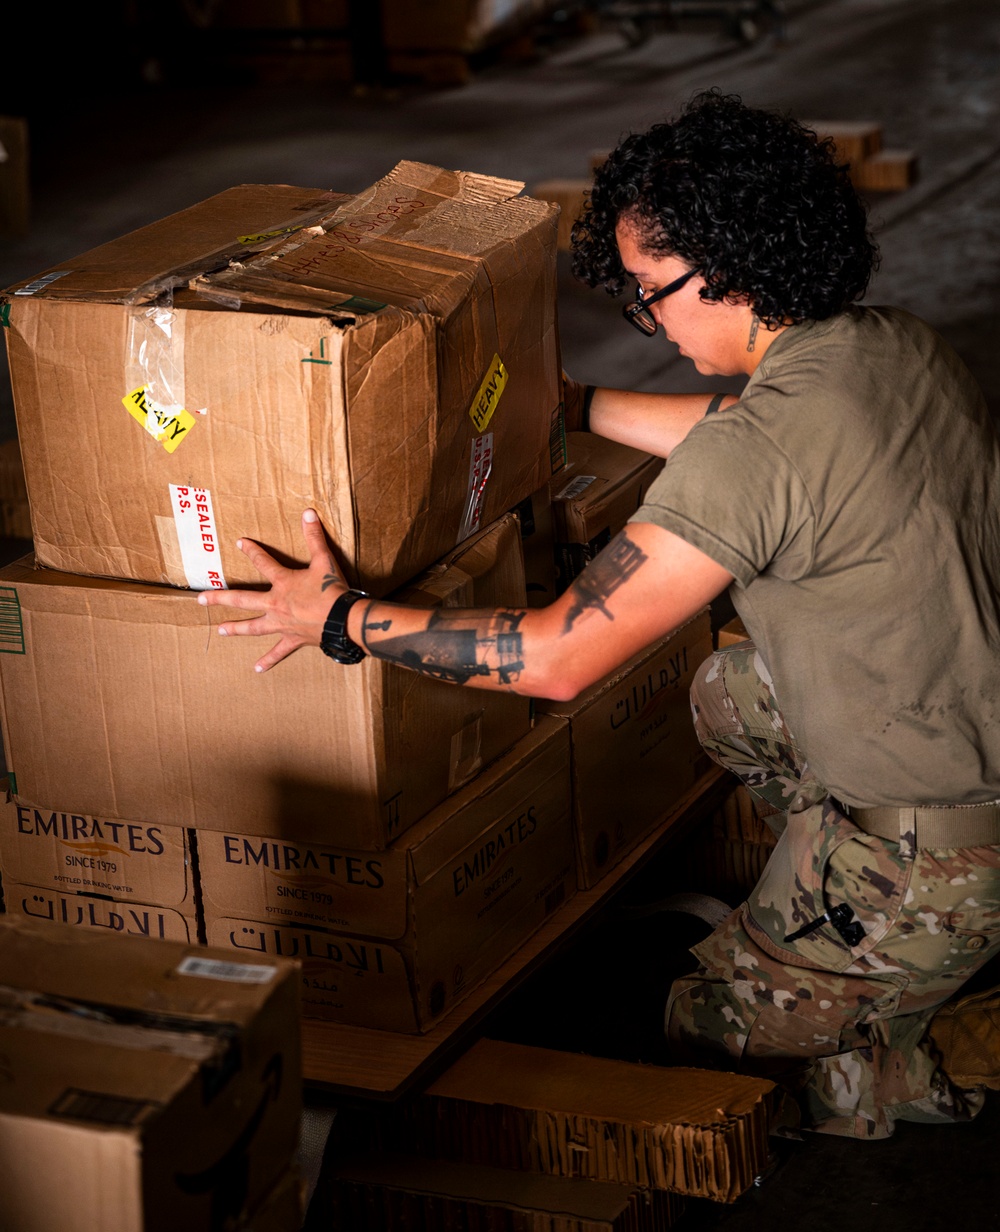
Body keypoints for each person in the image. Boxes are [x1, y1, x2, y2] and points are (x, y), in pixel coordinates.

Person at [198, 88, 1000, 1141]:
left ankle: (929, 1022)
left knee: (699, 1020)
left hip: (943, 852)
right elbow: (737, 428)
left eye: (650, 292)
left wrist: (344, 617)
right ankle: (849, 927)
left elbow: (556, 656)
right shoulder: (887, 346)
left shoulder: (752, 459)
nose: (646, 318)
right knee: (731, 693)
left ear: (735, 272)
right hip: (969, 734)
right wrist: (572, 408)